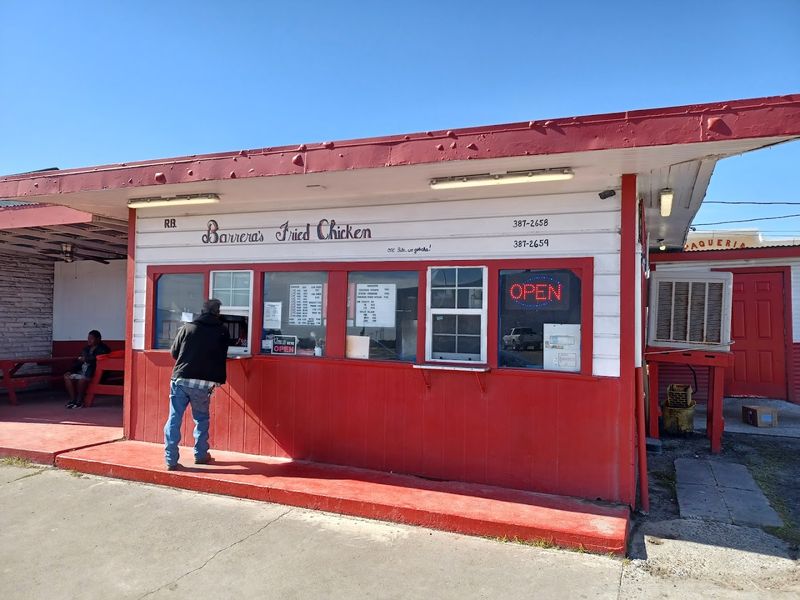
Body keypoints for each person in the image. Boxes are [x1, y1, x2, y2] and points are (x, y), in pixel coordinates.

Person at [164, 298, 231, 470]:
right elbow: (222, 354)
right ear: (218, 313)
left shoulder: (188, 327)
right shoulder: (222, 331)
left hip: (181, 379)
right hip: (203, 384)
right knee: (201, 419)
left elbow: (174, 353)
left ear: (202, 311)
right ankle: (200, 454)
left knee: (174, 418)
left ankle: (171, 460)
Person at [64, 330, 111, 409]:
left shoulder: (104, 349)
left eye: (91, 338)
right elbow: (78, 362)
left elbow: (96, 360)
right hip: (82, 371)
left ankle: (80, 401)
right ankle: (73, 400)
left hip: (93, 373)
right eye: (88, 338)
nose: (89, 340)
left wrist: (86, 359)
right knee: (67, 377)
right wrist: (71, 371)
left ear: (98, 339)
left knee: (82, 380)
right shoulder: (86, 349)